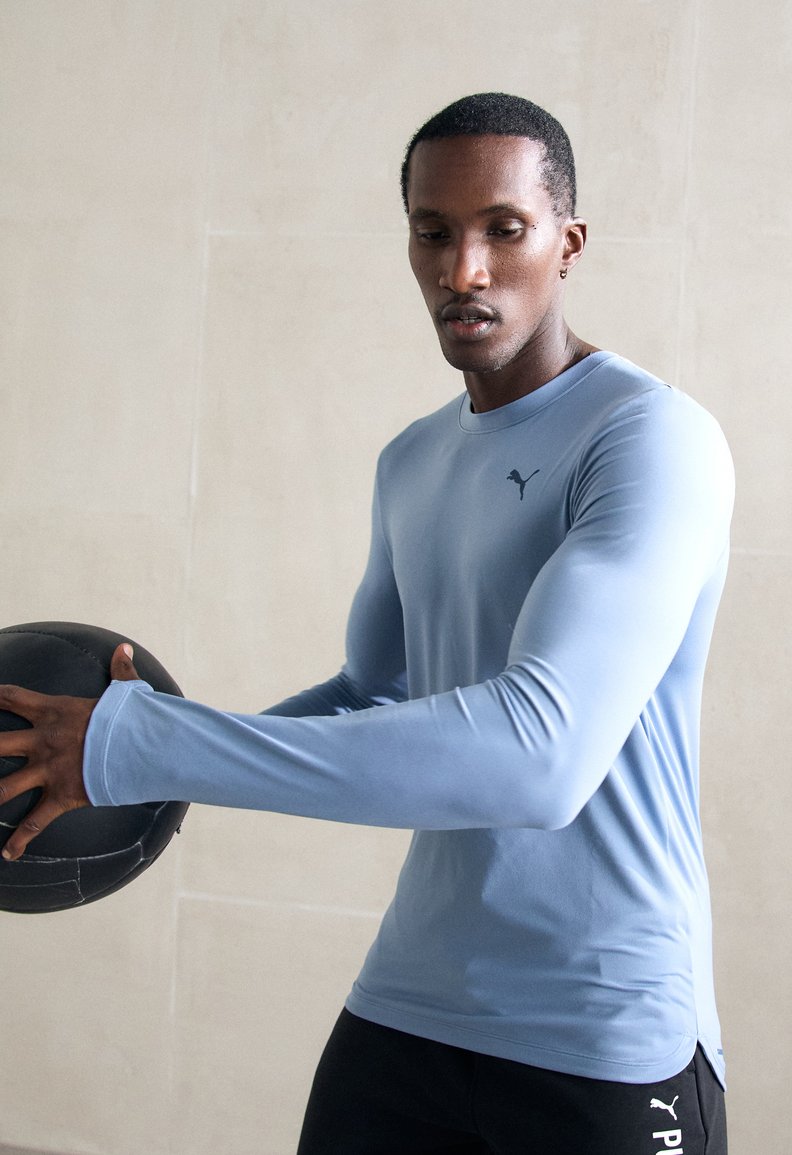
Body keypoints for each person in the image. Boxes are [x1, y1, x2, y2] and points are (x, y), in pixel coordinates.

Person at [0, 94, 732, 1154]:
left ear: (568, 243)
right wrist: (132, 762)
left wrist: (147, 745)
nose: (463, 269)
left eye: (503, 230)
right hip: (412, 1005)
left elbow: (543, 755)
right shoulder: (413, 460)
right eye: (432, 233)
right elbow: (371, 692)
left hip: (604, 1027)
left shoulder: (649, 438)